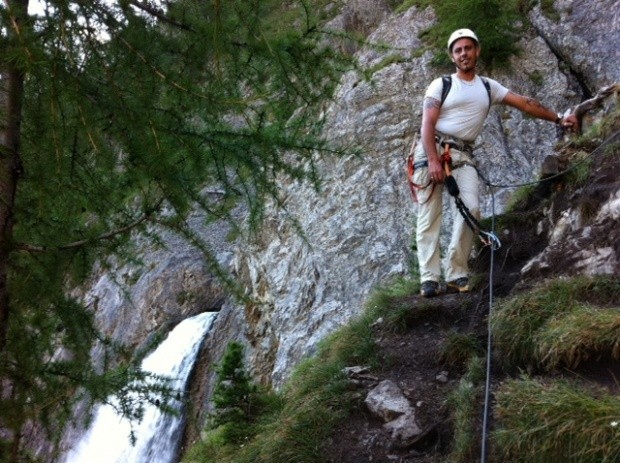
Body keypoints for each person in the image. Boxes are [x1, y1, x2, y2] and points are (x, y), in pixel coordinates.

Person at [412, 28, 578, 298]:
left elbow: (525, 103)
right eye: (458, 50)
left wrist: (558, 118)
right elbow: (426, 124)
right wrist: (432, 159)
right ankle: (429, 278)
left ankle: (456, 271)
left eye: (468, 48)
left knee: (473, 207)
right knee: (430, 214)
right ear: (452, 57)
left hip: (463, 154)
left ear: (477, 51)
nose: (463, 53)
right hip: (431, 148)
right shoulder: (440, 85)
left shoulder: (489, 87)